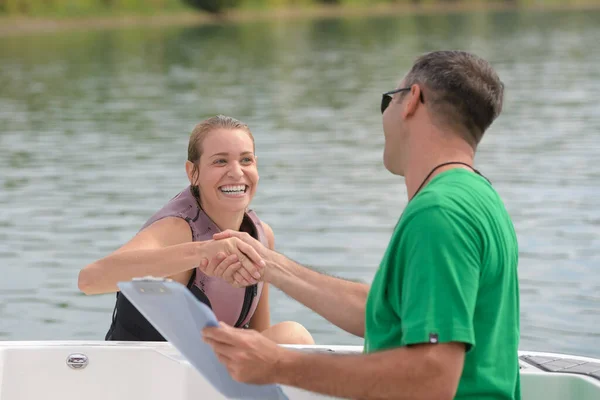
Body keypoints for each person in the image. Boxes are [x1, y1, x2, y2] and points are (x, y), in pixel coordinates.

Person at [201, 50, 521, 400]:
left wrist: (278, 365)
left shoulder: (439, 214)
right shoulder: (476, 196)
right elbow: (386, 313)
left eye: (389, 100)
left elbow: (432, 378)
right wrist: (268, 264)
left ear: (412, 100)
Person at [77, 115, 314, 345]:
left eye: (245, 160)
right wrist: (203, 252)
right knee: (293, 335)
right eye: (220, 161)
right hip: (144, 374)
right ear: (193, 173)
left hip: (208, 375)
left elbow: (259, 337)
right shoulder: (177, 229)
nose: (236, 172)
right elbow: (89, 280)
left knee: (291, 338)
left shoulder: (261, 235)